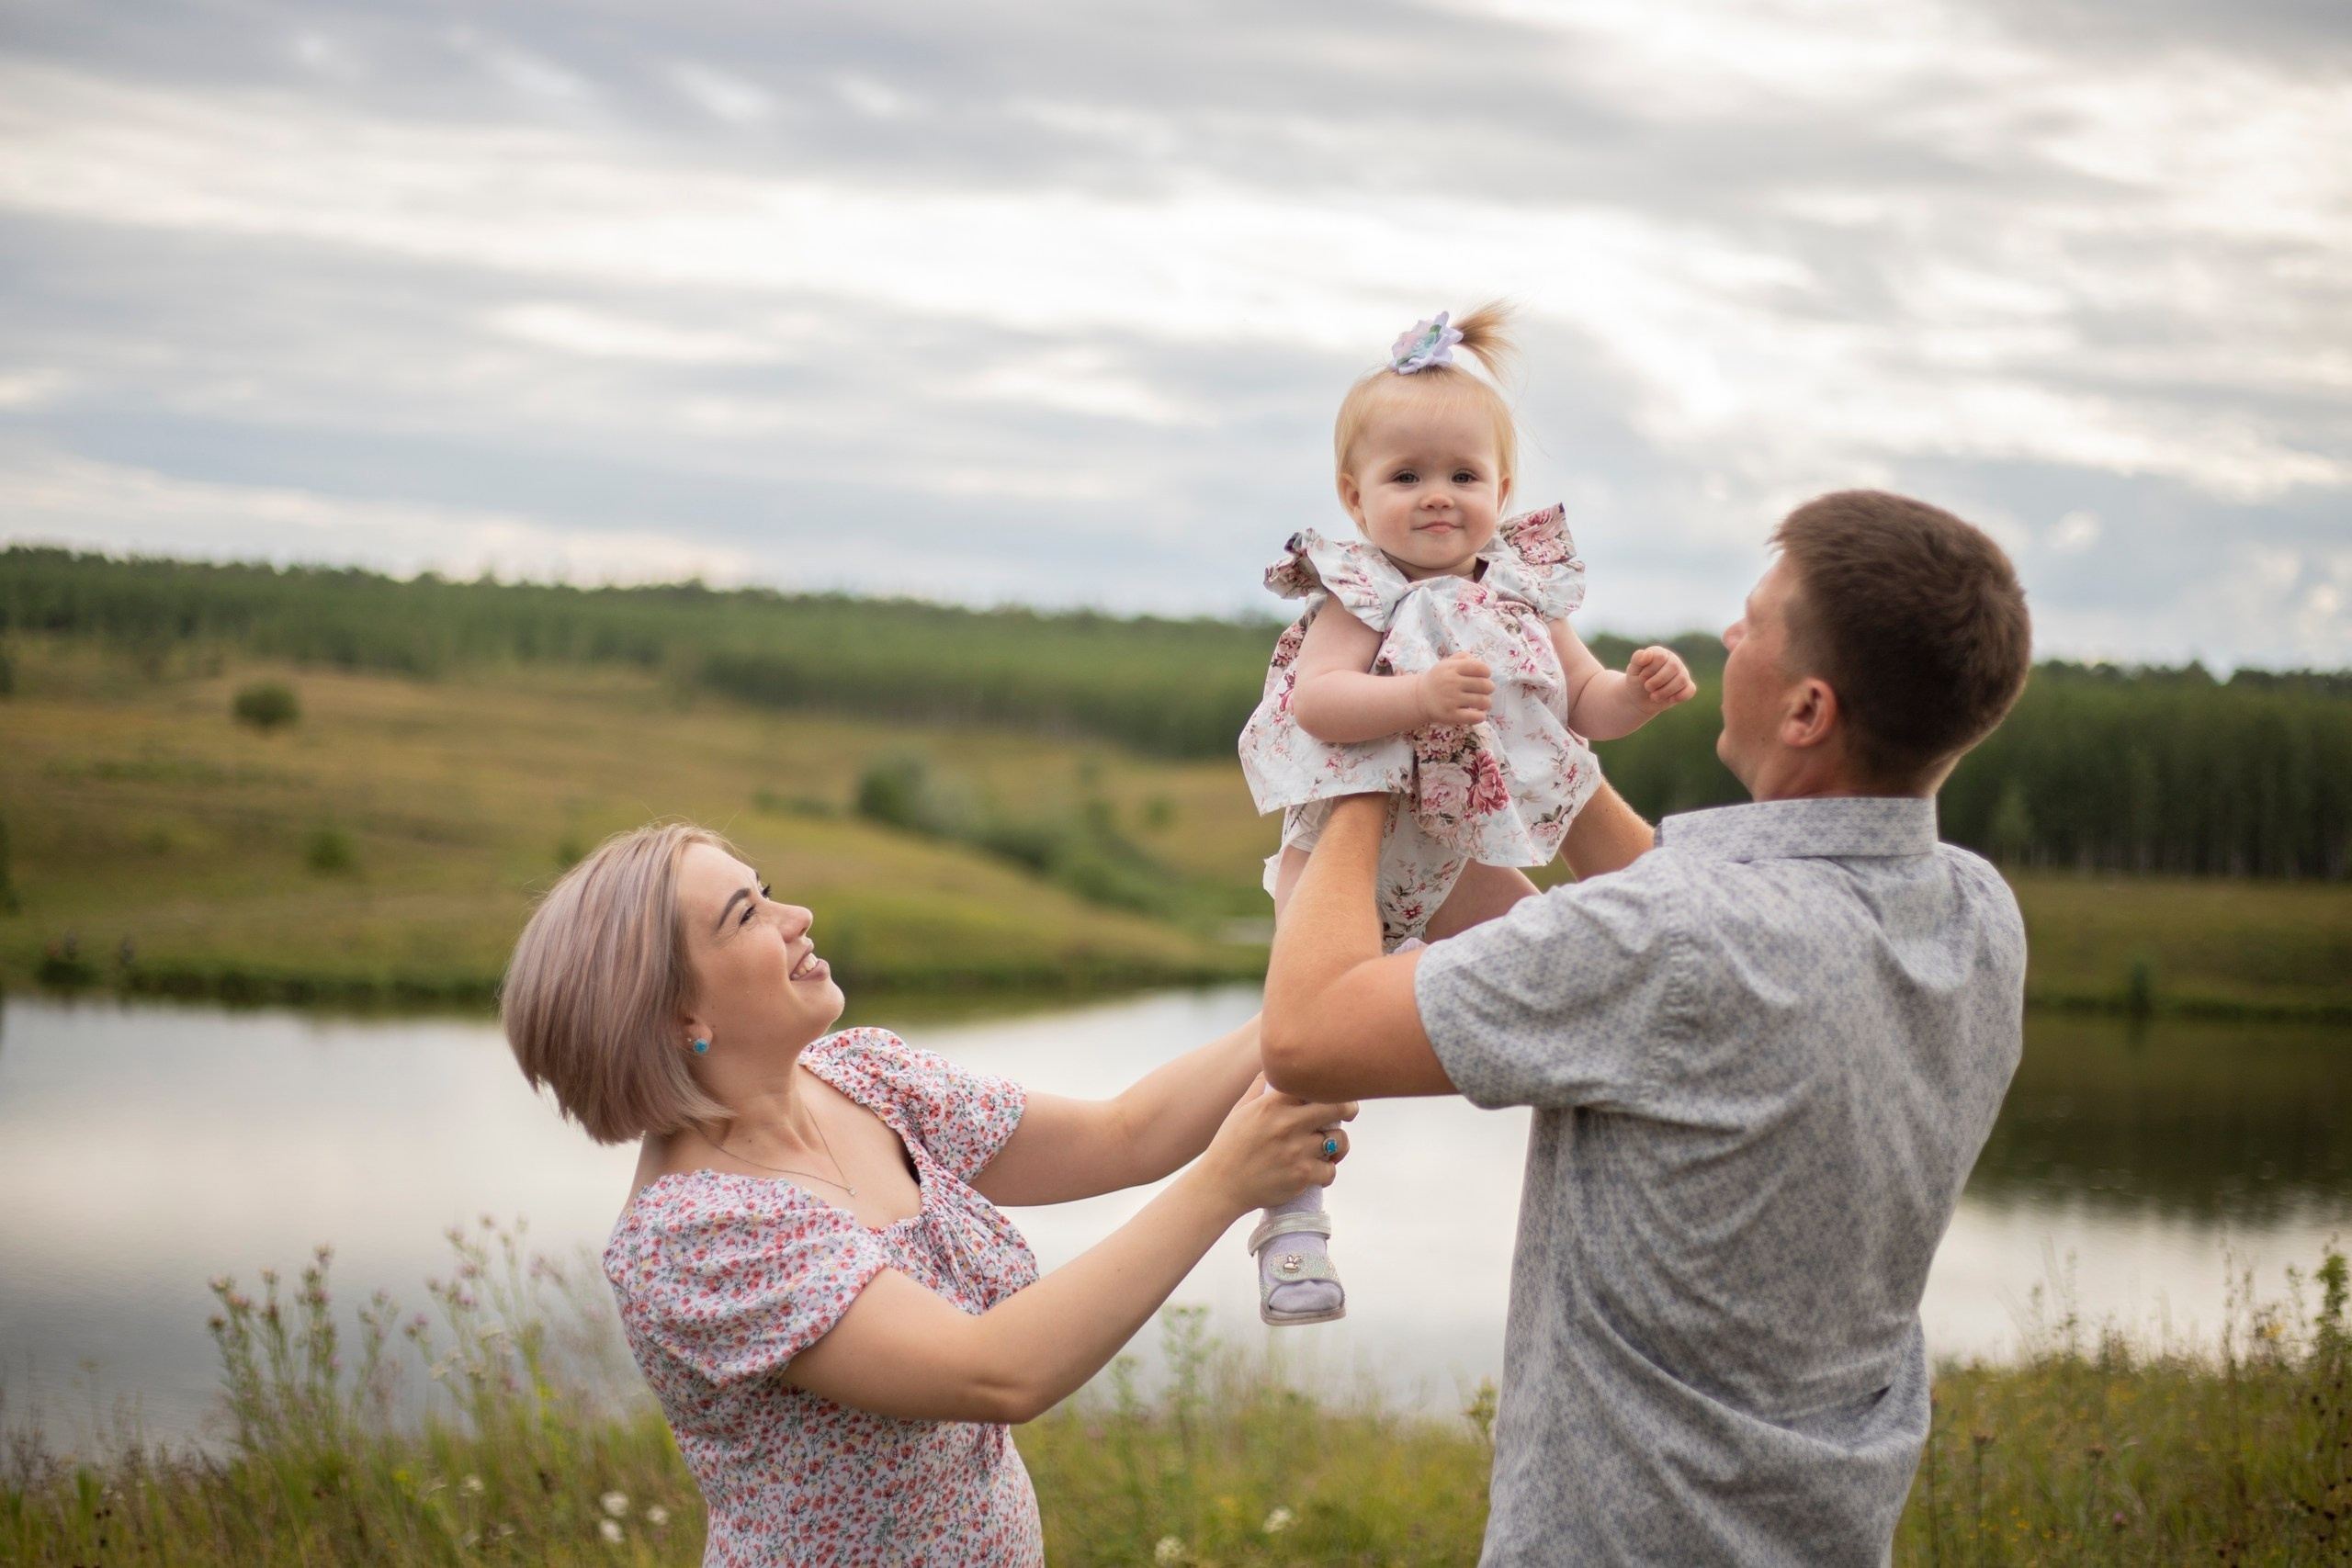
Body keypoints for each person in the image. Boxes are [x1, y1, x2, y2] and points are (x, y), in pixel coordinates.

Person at [1261, 490, 2034, 1565]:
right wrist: (1529, 729)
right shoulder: (1976, 912)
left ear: (1806, 712)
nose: (1729, 636)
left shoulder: (1668, 942)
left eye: (1756, 624)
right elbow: (1679, 910)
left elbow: (1308, 1033)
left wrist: (1367, 754)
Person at [500, 822, 1355, 1567]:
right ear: (677, 1013)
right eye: (746, 916)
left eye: (765, 892)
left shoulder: (863, 1076)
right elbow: (995, 1373)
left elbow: (1124, 1133)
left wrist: (1311, 1001)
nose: (795, 917)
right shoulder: (695, 1234)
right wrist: (1226, 1182)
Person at [1234, 303, 1696, 1325]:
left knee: (1554, 963)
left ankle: (1635, 1156)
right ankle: (1292, 1224)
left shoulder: (1527, 591)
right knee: (1302, 1046)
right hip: (1343, 852)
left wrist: (1639, 690)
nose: (1436, 497)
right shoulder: (1358, 590)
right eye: (1405, 478)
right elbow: (1318, 702)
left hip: (1458, 844)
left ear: (1502, 490)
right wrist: (1415, 699)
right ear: (1356, 498)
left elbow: (1580, 705)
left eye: (1462, 476)